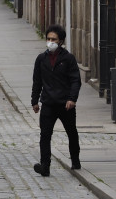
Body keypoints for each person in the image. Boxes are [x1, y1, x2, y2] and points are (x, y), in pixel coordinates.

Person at [31, 24, 81, 177]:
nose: (50, 42)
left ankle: (75, 159)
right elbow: (37, 81)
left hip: (65, 104)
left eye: (54, 39)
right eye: (48, 39)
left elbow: (75, 80)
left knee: (71, 132)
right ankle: (45, 165)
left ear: (61, 41)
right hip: (48, 103)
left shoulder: (68, 59)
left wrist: (72, 99)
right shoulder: (41, 58)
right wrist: (34, 101)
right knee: (45, 135)